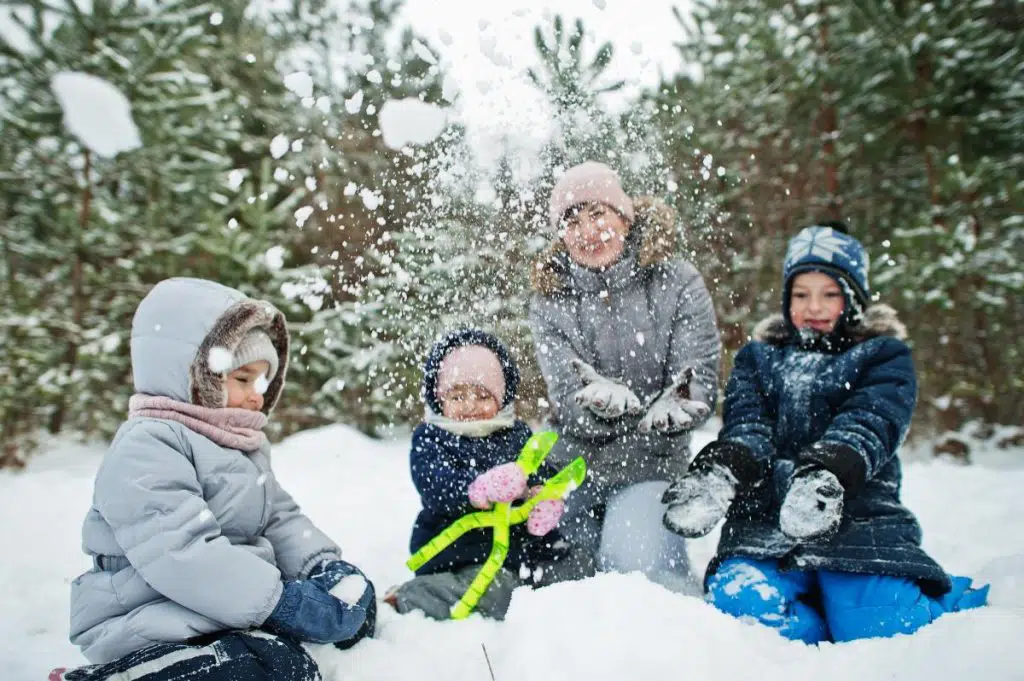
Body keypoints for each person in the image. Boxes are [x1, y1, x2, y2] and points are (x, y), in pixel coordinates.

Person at [662, 222, 989, 643]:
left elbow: (870, 423)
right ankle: (817, 610)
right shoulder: (758, 359)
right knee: (744, 612)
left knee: (880, 625)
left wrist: (827, 472)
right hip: (764, 523)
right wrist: (723, 470)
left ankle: (950, 602)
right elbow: (747, 426)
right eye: (801, 294)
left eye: (829, 293)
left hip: (856, 519)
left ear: (852, 299)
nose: (813, 306)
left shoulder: (882, 356)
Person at [54, 278, 374, 681]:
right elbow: (182, 552)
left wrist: (324, 567)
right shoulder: (147, 445)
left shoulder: (242, 446)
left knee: (286, 663)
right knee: (249, 670)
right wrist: (280, 603)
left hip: (219, 615)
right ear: (194, 373)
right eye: (243, 379)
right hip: (146, 618)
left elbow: (279, 519)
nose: (257, 396)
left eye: (262, 381)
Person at [528, 161, 721, 592]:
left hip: (649, 463)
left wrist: (678, 406)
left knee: (638, 577)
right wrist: (595, 406)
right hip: (572, 467)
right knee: (554, 579)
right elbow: (565, 391)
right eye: (572, 221)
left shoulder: (678, 282)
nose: (587, 231)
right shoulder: (549, 299)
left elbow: (697, 371)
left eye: (598, 214)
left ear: (625, 217)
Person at [385, 328, 566, 620]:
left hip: (518, 548)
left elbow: (537, 470)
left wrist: (541, 497)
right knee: (496, 591)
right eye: (457, 396)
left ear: (502, 397)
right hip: (460, 551)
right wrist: (477, 489)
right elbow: (435, 486)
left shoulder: (515, 434)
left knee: (576, 566)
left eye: (483, 395)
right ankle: (414, 595)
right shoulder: (433, 437)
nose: (470, 406)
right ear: (439, 399)